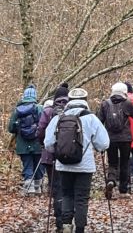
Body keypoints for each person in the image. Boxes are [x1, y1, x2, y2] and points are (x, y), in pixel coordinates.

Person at [44, 88, 110, 233]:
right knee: (81, 199)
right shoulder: (91, 118)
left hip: (63, 165)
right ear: (85, 101)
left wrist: (60, 151)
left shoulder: (59, 118)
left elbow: (48, 144)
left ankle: (66, 225)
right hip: (85, 167)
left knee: (66, 195)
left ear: (69, 101)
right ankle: (80, 229)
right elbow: (104, 144)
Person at [97, 82, 133, 198]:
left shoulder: (105, 104)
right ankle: (123, 189)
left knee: (112, 162)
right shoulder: (127, 103)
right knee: (125, 162)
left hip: (110, 138)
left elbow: (99, 122)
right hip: (125, 138)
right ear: (124, 91)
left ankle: (111, 180)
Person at [37, 83, 69, 232]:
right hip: (69, 156)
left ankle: (59, 221)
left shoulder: (48, 111)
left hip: (50, 156)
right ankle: (69, 218)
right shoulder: (72, 111)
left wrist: (43, 145)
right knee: (68, 187)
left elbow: (41, 130)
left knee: (56, 188)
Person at [8, 84, 44, 195]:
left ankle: (29, 188)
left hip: (23, 144)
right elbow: (44, 125)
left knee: (27, 164)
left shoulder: (17, 110)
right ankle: (38, 188)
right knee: (38, 164)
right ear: (35, 96)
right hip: (38, 142)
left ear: (24, 96)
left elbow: (10, 128)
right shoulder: (40, 108)